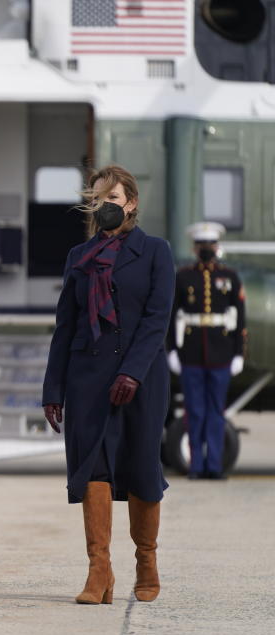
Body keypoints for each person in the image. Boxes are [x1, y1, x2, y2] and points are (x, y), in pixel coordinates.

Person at [42, 165, 174, 605]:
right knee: (91, 468)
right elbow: (65, 326)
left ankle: (146, 561)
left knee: (140, 467)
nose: (105, 207)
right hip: (87, 378)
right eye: (97, 199)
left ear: (131, 203)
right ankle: (99, 570)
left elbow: (157, 320)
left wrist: (132, 372)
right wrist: (52, 389)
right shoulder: (79, 256)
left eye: (112, 199)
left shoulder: (156, 252)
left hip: (141, 377)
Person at [167, 222, 247, 480]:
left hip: (221, 354)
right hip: (191, 354)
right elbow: (170, 316)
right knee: (194, 412)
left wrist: (238, 354)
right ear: (194, 247)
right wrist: (172, 350)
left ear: (216, 247)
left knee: (216, 412)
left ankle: (214, 465)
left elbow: (240, 320)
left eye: (210, 245)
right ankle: (196, 466)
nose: (206, 249)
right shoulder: (183, 276)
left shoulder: (230, 277)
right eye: (202, 245)